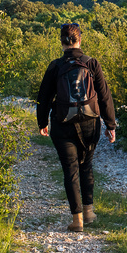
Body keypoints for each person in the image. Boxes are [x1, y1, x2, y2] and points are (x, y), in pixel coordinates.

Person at [36, 23, 117, 232]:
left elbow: (43, 97)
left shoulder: (55, 66)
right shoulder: (91, 63)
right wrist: (110, 125)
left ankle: (77, 220)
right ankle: (89, 212)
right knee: (86, 165)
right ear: (80, 39)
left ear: (61, 41)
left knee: (70, 170)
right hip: (90, 123)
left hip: (63, 125)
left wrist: (42, 122)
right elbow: (105, 95)